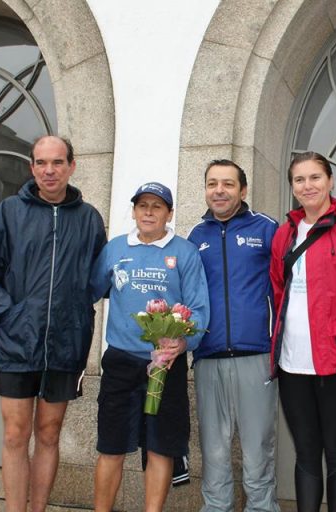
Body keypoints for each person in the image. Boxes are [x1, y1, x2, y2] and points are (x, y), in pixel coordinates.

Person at [0, 135, 107, 512]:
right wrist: (10, 316)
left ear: (71, 166)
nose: (49, 170)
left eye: (57, 162)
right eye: (41, 163)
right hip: (16, 344)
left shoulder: (89, 219)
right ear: (31, 167)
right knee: (16, 434)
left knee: (48, 434)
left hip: (66, 345)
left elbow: (99, 279)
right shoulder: (10, 212)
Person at [89, 182, 209, 512]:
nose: (149, 212)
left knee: (161, 446)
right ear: (134, 211)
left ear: (169, 214)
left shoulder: (185, 252)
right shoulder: (115, 248)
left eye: (157, 206)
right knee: (111, 446)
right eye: (143, 205)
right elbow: (91, 289)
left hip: (166, 365)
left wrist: (182, 342)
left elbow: (199, 309)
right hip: (121, 361)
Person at [269, 151, 336, 512]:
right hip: (291, 365)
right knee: (305, 453)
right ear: (292, 187)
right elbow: (278, 292)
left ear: (330, 181)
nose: (308, 186)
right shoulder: (284, 234)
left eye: (315, 177)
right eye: (299, 180)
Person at [188, 159, 280, 512]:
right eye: (212, 183)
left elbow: (287, 287)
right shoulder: (196, 237)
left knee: (258, 448)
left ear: (243, 190)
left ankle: (262, 508)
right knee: (213, 449)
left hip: (256, 355)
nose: (219, 190)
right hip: (208, 356)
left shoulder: (266, 228)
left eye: (228, 184)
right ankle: (216, 507)